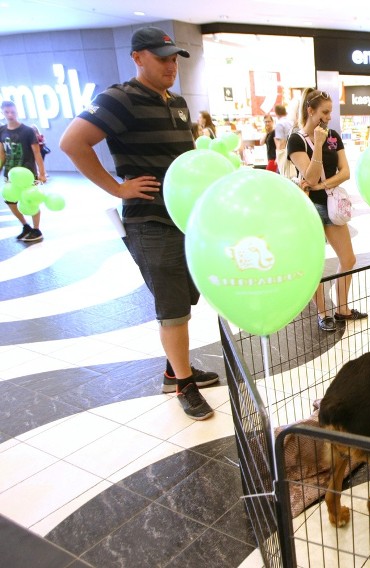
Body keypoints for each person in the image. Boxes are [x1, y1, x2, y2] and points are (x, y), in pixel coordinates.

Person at [59, 26, 220, 420]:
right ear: (137, 58)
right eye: (161, 58)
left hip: (184, 218)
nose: (170, 65)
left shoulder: (179, 103)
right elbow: (72, 143)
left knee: (184, 298)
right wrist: (116, 188)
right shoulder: (119, 99)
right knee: (172, 307)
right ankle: (183, 383)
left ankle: (174, 367)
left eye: (173, 59)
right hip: (149, 220)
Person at [287, 87, 367, 333]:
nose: (328, 117)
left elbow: (345, 171)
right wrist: (318, 145)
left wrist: (322, 184)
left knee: (348, 259)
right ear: (310, 111)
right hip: (309, 207)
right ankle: (323, 313)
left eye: (330, 112)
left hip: (331, 204)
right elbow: (308, 176)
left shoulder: (334, 135)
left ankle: (342, 308)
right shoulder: (296, 139)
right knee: (314, 263)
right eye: (324, 112)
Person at [1, 100, 47, 242]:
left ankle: (37, 229)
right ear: (2, 112)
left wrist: (42, 173)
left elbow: (37, 153)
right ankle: (25, 226)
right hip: (11, 174)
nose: (10, 115)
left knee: (31, 200)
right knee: (11, 201)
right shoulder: (1, 130)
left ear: (17, 112)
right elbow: (2, 153)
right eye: (6, 112)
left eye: (12, 112)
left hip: (27, 173)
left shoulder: (27, 131)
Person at [273, 103, 294, 175]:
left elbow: (281, 141)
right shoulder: (291, 122)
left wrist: (278, 157)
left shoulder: (279, 124)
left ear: (276, 113)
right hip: (292, 152)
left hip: (284, 153)